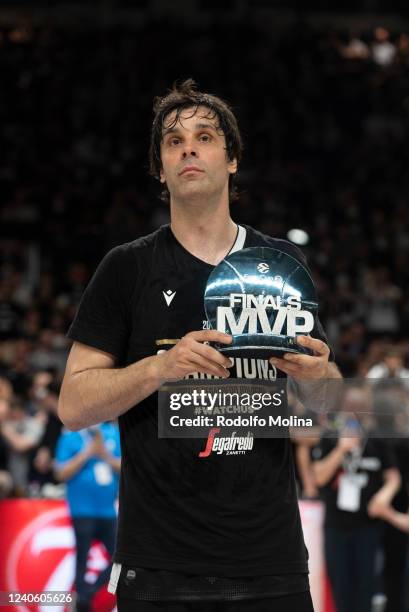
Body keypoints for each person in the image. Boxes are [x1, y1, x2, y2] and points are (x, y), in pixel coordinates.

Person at [58, 79, 341, 612]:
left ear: (232, 160)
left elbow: (328, 402)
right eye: (173, 141)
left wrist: (319, 376)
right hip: (160, 569)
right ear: (161, 171)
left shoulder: (280, 265)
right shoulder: (127, 268)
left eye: (205, 136)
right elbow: (72, 406)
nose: (188, 147)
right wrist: (159, 368)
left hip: (271, 565)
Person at [312, 394, 401, 612]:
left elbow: (393, 477)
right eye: (349, 409)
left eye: (359, 409)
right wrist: (341, 449)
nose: (354, 415)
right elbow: (318, 477)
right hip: (336, 526)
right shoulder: (330, 437)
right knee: (341, 587)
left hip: (367, 526)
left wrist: (384, 495)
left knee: (366, 586)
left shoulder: (376, 439)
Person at [54, 421, 121, 612]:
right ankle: (82, 603)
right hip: (81, 509)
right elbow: (61, 472)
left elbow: (125, 467)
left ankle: (86, 594)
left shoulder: (113, 432)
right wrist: (87, 453)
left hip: (108, 510)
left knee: (121, 557)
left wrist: (104, 455)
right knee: (82, 558)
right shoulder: (70, 436)